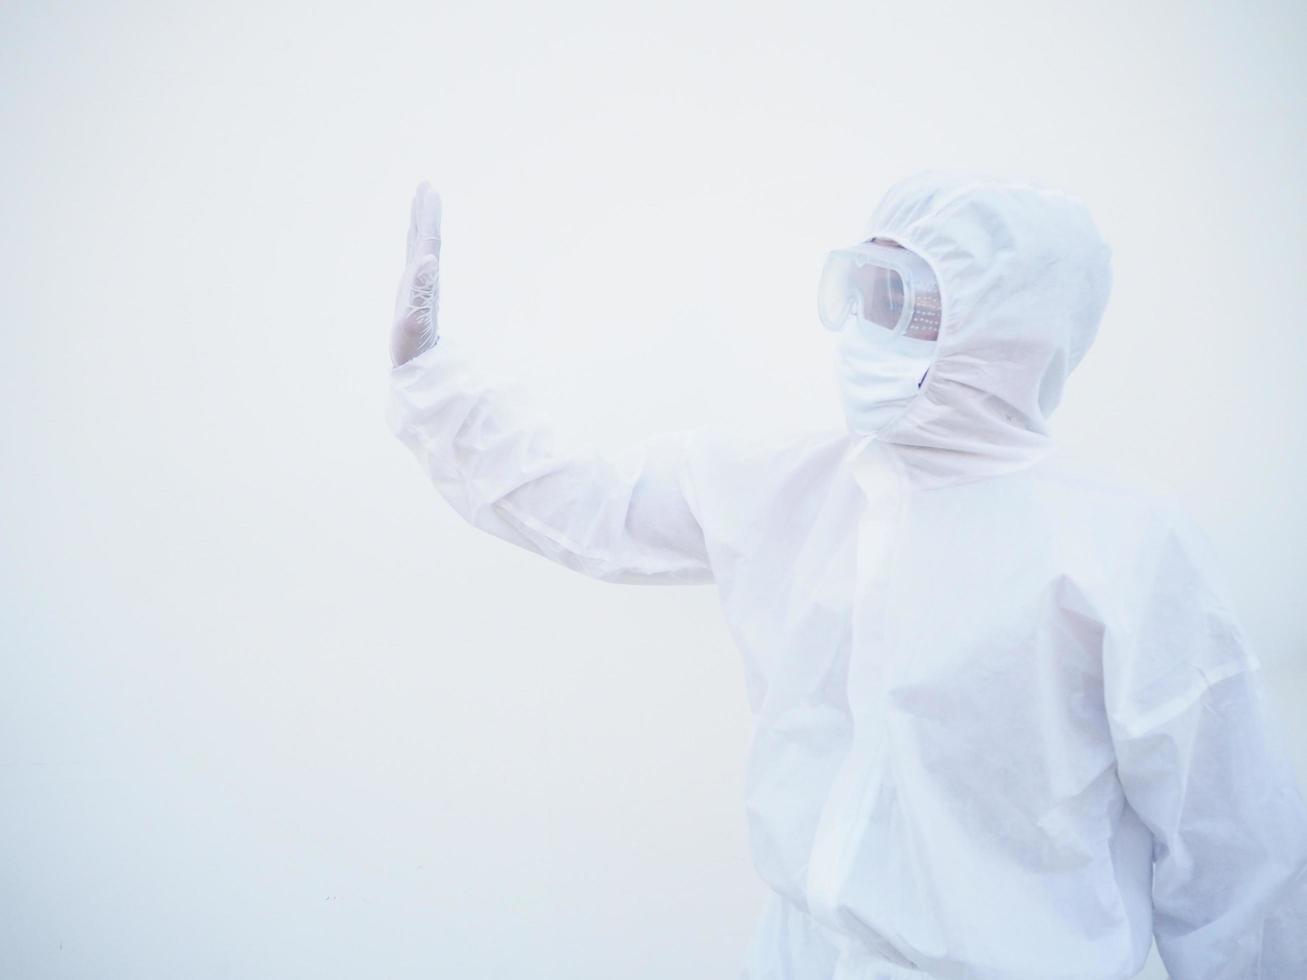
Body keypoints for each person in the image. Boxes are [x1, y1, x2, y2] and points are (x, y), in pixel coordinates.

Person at [385, 174, 1307, 979]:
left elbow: (1234, 860)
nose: (865, 327)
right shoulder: (796, 484)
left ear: (1012, 327)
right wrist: (435, 387)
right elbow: (591, 504)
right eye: (856, 289)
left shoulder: (1125, 550)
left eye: (902, 299)